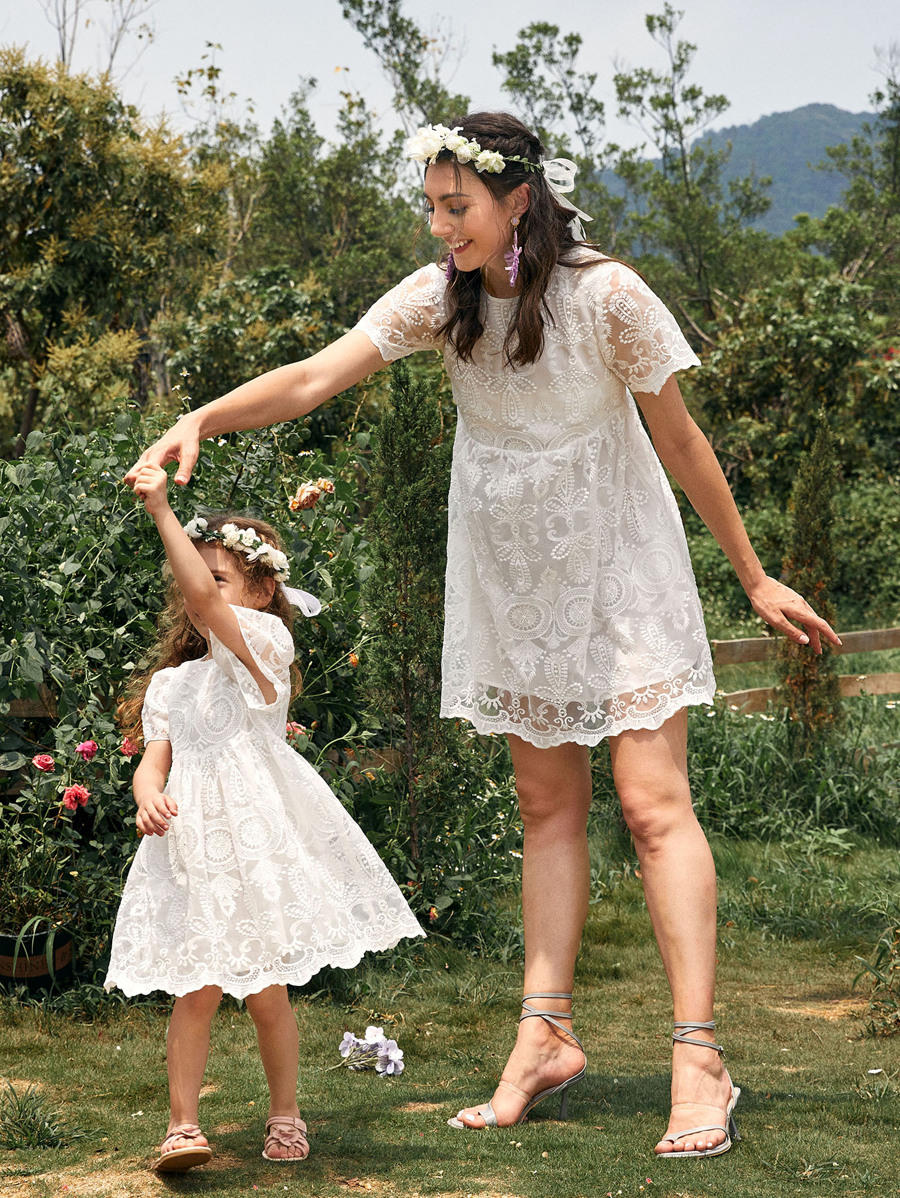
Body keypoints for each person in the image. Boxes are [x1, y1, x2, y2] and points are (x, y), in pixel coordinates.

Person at [125, 111, 840, 1159]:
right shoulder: (439, 298)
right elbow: (317, 374)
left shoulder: (608, 296)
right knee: (547, 810)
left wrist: (753, 573)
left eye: (455, 206)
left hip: (622, 570)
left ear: (518, 199)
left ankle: (700, 1058)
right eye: (431, 206)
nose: (440, 225)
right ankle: (544, 1036)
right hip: (514, 580)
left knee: (653, 807)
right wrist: (202, 418)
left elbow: (681, 440)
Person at [105, 465, 423, 1172]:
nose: (200, 588)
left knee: (266, 991)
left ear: (261, 589)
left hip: (255, 840)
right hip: (194, 842)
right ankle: (182, 1128)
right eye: (198, 577)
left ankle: (286, 1114)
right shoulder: (172, 683)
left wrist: (162, 511)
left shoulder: (266, 648)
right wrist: (147, 795)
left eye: (217, 577)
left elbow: (202, 602)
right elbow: (155, 759)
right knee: (196, 987)